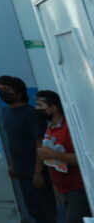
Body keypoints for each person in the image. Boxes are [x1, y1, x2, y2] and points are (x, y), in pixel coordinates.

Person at [0, 76, 54, 223]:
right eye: (0, 89)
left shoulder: (31, 113)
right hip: (21, 171)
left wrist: (38, 172)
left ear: (19, 93)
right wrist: (11, 164)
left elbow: (40, 142)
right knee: (32, 209)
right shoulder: (6, 112)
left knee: (47, 210)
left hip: (36, 171)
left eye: (7, 90)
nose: (3, 93)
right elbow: (11, 140)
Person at [34, 90, 91, 223]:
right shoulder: (49, 128)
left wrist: (54, 154)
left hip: (78, 190)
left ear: (53, 108)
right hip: (61, 190)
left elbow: (82, 159)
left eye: (40, 105)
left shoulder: (69, 129)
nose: (36, 109)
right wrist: (55, 188)